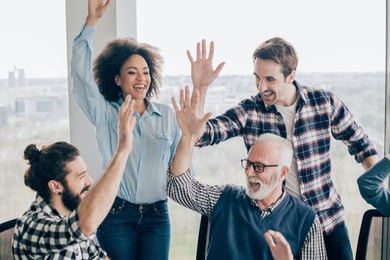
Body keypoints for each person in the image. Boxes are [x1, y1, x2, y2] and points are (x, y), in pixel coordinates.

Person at [187, 37, 379, 259]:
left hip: (328, 221)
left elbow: (362, 146)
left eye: (270, 79)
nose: (262, 87)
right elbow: (203, 133)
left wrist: (379, 197)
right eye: (257, 78)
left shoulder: (323, 102)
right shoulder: (250, 110)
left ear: (291, 75)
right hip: (284, 226)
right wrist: (200, 88)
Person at [70, 0, 180, 259]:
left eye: (145, 72)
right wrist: (91, 24)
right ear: (117, 80)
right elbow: (81, 77)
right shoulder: (106, 113)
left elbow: (179, 167)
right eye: (132, 72)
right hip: (117, 214)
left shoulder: (166, 115)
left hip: (157, 215)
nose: (141, 78)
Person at [167, 86, 327, 260]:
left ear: (283, 173)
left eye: (259, 167)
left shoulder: (306, 220)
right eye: (248, 164)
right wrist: (188, 137)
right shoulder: (224, 198)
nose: (250, 172)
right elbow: (178, 188)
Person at [12, 96, 136, 259]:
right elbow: (82, 226)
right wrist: (122, 151)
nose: (89, 181)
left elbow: (98, 256)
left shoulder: (72, 213)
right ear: (56, 186)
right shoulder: (31, 225)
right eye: (81, 176)